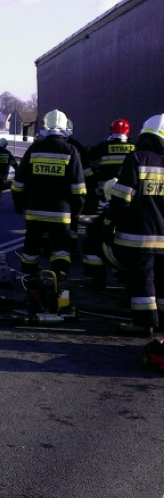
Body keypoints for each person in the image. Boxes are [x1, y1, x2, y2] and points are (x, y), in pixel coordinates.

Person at [11, 109, 86, 284]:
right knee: (60, 249)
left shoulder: (34, 149)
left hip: (34, 211)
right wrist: (77, 210)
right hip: (61, 213)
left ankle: (28, 280)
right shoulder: (71, 151)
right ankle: (59, 282)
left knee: (31, 247)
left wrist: (19, 206)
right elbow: (79, 188)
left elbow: (18, 184)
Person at [108, 114, 164, 335]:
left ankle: (143, 323)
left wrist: (110, 220)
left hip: (139, 235)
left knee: (142, 281)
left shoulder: (137, 158)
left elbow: (122, 197)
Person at [88, 119, 135, 207]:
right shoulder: (134, 147)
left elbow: (89, 163)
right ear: (128, 131)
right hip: (126, 191)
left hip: (104, 191)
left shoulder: (102, 147)